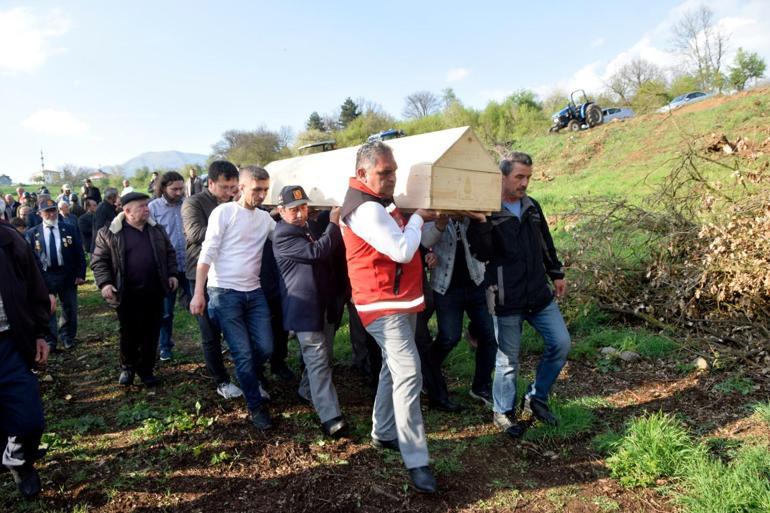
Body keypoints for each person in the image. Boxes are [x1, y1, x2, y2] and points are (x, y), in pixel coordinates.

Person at [340, 141, 438, 493]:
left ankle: (383, 431)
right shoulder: (366, 209)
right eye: (385, 173)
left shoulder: (382, 204)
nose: (392, 178)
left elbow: (416, 239)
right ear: (363, 173)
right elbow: (401, 248)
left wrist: (435, 222)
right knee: (409, 373)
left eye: (394, 170)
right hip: (382, 304)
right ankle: (417, 459)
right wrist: (416, 217)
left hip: (400, 300)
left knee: (392, 368)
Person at [467, 151, 570, 438]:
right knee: (508, 360)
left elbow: (545, 242)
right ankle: (503, 410)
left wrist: (556, 273)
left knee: (561, 343)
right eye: (519, 177)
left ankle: (536, 397)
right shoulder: (485, 209)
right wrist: (481, 222)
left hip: (538, 294)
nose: (524, 183)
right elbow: (481, 252)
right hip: (505, 297)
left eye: (528, 177)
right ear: (502, 176)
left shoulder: (532, 207)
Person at [189, 166, 276, 430]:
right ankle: (255, 407)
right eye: (256, 189)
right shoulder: (224, 212)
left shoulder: (264, 219)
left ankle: (249, 375)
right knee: (243, 354)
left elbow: (282, 235)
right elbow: (207, 252)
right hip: (224, 292)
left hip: (254, 291)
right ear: (241, 187)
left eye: (265, 190)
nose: (261, 195)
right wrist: (198, 293)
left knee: (265, 348)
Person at [273, 185, 347, 437]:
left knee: (321, 358)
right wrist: (334, 223)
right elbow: (317, 252)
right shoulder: (282, 234)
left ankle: (306, 391)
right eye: (293, 209)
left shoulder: (304, 228)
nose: (299, 213)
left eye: (303, 207)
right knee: (318, 362)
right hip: (304, 310)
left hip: (323, 306)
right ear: (280, 210)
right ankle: (330, 417)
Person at [91, 192, 178, 386]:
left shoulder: (157, 230)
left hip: (154, 292)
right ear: (127, 210)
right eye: (142, 206)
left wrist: (172, 274)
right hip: (127, 293)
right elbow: (99, 262)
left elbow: (170, 253)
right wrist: (105, 283)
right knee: (129, 332)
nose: (147, 209)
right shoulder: (109, 233)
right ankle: (128, 367)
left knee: (151, 331)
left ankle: (146, 369)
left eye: (147, 205)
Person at [181, 161, 242, 400]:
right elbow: (195, 234)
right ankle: (221, 380)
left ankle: (248, 374)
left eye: (233, 187)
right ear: (210, 183)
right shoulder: (194, 203)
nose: (229, 192)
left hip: (229, 273)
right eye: (225, 187)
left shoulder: (233, 203)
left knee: (235, 327)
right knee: (210, 332)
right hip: (201, 273)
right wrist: (230, 223)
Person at [421, 215, 497, 409]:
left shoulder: (472, 212)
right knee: (449, 337)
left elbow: (486, 244)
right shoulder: (433, 212)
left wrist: (478, 219)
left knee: (489, 335)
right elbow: (424, 242)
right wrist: (439, 226)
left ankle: (481, 386)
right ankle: (426, 373)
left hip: (477, 282)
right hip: (446, 287)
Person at [0, 222, 51, 498]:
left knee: (29, 422)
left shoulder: (8, 239)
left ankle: (19, 463)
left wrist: (40, 333)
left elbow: (34, 286)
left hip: (9, 343)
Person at [25, 197, 86, 351]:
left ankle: (67, 337)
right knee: (48, 308)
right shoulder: (33, 234)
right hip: (45, 276)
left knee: (69, 306)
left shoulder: (69, 229)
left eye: (53, 211)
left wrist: (80, 273)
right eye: (47, 212)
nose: (52, 215)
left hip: (67, 273)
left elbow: (79, 252)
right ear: (40, 213)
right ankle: (50, 340)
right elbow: (30, 259)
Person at [148, 171, 190, 361]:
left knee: (203, 306)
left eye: (181, 188)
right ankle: (165, 346)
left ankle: (214, 341)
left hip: (189, 263)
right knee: (165, 311)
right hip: (167, 268)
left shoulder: (188, 205)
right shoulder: (153, 208)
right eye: (174, 189)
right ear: (163, 187)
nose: (179, 192)